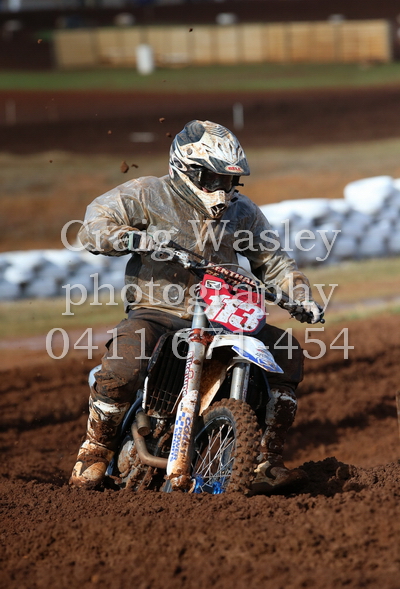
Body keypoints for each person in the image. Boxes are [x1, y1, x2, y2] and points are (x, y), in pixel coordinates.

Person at [69, 120, 323, 492]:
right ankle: (95, 449)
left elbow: (274, 262)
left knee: (286, 352)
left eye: (229, 181)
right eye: (212, 178)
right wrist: (134, 239)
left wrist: (300, 295)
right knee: (125, 364)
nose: (222, 190)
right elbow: (94, 226)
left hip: (223, 315)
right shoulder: (150, 193)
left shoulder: (242, 212)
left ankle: (265, 459)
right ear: (185, 169)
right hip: (158, 311)